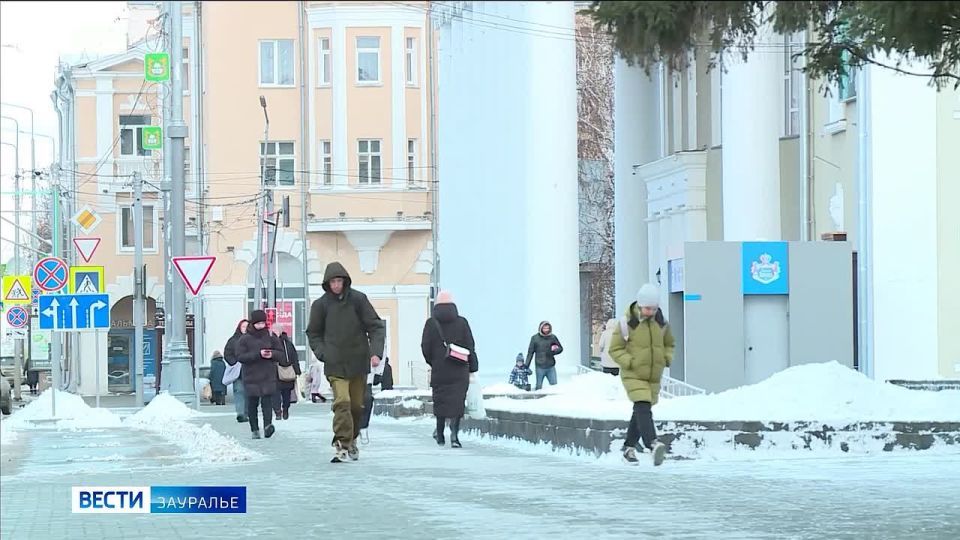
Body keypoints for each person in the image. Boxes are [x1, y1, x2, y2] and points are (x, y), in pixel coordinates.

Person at [306, 261, 385, 463]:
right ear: (327, 283)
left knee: (357, 406)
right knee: (342, 402)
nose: (336, 285)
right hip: (335, 362)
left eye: (339, 281)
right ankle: (341, 444)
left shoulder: (359, 300)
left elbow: (375, 327)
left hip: (358, 361)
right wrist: (323, 353)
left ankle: (352, 439)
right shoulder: (320, 305)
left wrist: (376, 352)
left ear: (345, 281)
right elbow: (313, 333)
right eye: (332, 281)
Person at [608, 283, 674, 466]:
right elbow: (615, 349)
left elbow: (670, 344)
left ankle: (628, 448)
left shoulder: (661, 323)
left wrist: (666, 358)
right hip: (633, 373)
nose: (650, 312)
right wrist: (629, 361)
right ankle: (652, 443)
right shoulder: (626, 323)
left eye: (653, 308)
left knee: (640, 411)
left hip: (653, 374)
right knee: (643, 405)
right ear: (640, 304)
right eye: (647, 308)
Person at [421, 290, 478, 449]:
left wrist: (434, 362)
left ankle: (440, 435)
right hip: (459, 370)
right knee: (457, 403)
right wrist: (472, 366)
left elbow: (425, 347)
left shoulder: (431, 323)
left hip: (440, 370)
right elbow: (470, 345)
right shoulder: (462, 322)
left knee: (440, 402)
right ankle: (454, 436)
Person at [236, 310, 283, 439]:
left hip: (267, 375)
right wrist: (258, 355)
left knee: (267, 402)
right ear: (253, 323)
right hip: (251, 376)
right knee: (253, 403)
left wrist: (271, 354)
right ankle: (254, 429)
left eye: (263, 323)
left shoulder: (270, 337)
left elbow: (280, 353)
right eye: (258, 323)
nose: (261, 326)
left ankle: (268, 426)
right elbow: (240, 356)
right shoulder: (245, 339)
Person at [223, 319, 249, 423]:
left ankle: (247, 412)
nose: (245, 329)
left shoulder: (253, 339)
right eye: (243, 327)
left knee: (249, 393)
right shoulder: (233, 340)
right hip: (238, 372)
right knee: (239, 391)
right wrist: (234, 362)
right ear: (239, 327)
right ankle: (240, 413)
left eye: (247, 327)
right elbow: (227, 353)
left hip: (251, 371)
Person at [526, 321, 563, 390]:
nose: (546, 330)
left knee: (554, 386)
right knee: (539, 386)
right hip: (540, 367)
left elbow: (560, 348)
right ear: (540, 328)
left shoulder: (553, 337)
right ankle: (537, 400)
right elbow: (530, 353)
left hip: (551, 366)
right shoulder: (535, 338)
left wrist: (554, 351)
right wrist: (526, 366)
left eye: (548, 328)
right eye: (544, 328)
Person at [276, 331, 301, 420]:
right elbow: (295, 358)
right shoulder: (290, 345)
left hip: (277, 374)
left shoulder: (275, 345)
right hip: (289, 374)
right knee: (287, 394)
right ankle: (285, 409)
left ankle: (278, 411)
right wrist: (298, 371)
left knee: (276, 394)